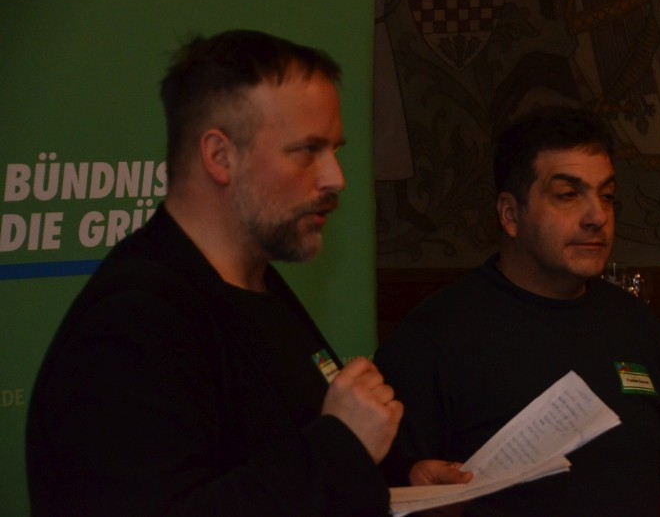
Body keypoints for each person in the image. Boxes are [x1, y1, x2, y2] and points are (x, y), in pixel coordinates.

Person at [26, 29, 402, 517]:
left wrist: (400, 480)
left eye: (335, 149)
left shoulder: (257, 283)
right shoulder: (131, 323)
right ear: (220, 156)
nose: (336, 178)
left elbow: (276, 453)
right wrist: (342, 444)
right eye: (307, 151)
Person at [375, 106, 660, 516]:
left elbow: (658, 471)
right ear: (511, 214)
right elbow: (387, 491)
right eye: (568, 195)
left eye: (606, 196)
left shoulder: (636, 326)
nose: (597, 217)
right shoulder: (433, 340)